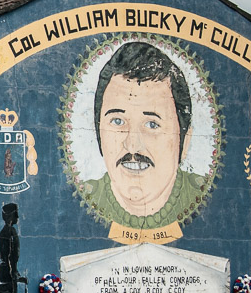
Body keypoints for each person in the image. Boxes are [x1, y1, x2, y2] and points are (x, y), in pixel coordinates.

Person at [83, 40, 206, 229]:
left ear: (185, 140)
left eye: (152, 124)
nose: (132, 145)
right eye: (118, 121)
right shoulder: (85, 196)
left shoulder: (202, 193)